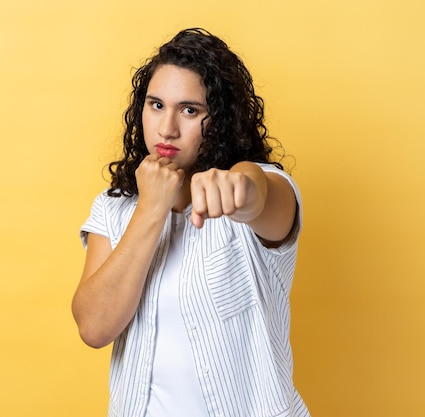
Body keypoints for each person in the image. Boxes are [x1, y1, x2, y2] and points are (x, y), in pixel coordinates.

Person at [72, 28, 309, 417]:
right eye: (156, 105)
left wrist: (243, 188)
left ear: (220, 119)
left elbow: (259, 194)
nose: (167, 129)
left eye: (189, 110)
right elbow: (94, 328)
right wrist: (151, 208)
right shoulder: (114, 208)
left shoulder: (259, 192)